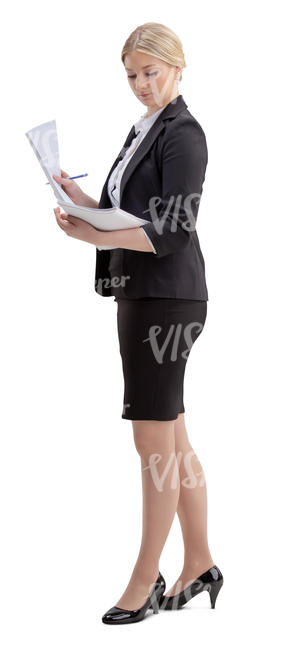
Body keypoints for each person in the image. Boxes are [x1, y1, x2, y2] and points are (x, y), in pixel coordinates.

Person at [53, 21, 223, 625]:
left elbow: (172, 231)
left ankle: (144, 578)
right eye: (132, 75)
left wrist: (89, 234)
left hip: (167, 301)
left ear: (178, 69)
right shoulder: (145, 129)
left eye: (151, 72)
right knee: (171, 436)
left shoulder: (184, 135)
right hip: (147, 295)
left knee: (152, 440)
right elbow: (134, 214)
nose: (141, 84)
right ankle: (199, 561)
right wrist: (84, 205)